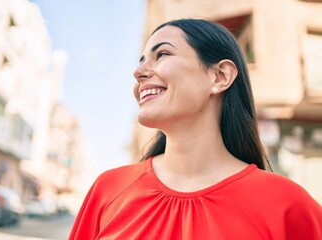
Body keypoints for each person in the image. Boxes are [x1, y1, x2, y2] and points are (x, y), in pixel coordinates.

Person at [69, 18, 322, 239]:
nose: (138, 72)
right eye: (141, 60)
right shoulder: (109, 189)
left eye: (163, 54)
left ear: (220, 76)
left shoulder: (287, 205)